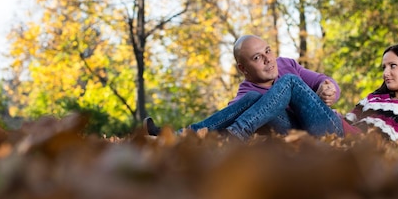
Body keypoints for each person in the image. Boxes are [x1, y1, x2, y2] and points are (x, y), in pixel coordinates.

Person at [144, 34, 348, 140]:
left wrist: (329, 89)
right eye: (258, 57)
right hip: (299, 135)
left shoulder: (287, 65)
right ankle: (180, 135)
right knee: (253, 99)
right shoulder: (246, 92)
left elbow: (323, 80)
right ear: (243, 68)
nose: (269, 60)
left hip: (329, 128)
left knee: (290, 82)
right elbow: (228, 115)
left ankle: (236, 135)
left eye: (268, 51)